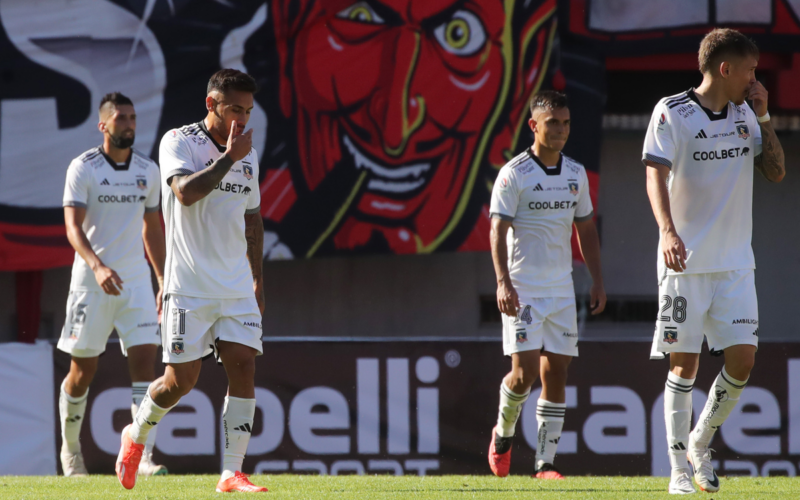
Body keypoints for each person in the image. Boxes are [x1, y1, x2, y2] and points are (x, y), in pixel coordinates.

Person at [643, 28, 785, 495]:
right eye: (749, 70)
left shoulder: (748, 113)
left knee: (743, 361)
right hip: (684, 262)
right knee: (683, 367)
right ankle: (678, 471)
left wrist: (764, 117)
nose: (754, 79)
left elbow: (777, 172)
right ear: (725, 69)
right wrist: (666, 231)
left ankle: (700, 445)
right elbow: (654, 175)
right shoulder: (672, 112)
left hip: (735, 265)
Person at [115, 69, 267, 493]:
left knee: (244, 367)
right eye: (234, 108)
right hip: (189, 284)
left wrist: (258, 282)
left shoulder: (247, 155)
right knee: (179, 382)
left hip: (235, 285)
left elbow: (252, 221)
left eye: (248, 110)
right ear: (211, 104)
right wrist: (230, 158)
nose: (242, 118)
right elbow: (184, 192)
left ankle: (231, 472)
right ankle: (136, 435)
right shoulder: (178, 141)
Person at [487, 91, 606, 479]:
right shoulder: (514, 174)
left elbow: (585, 228)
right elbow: (497, 229)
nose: (561, 130)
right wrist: (503, 283)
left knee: (557, 373)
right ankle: (502, 433)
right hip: (523, 290)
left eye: (566, 122)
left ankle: (544, 463)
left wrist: (597, 280)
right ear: (534, 125)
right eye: (553, 122)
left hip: (561, 291)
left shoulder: (575, 174)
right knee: (522, 376)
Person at [59, 92, 167, 477]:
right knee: (81, 371)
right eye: (121, 118)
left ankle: (142, 455)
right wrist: (98, 266)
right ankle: (71, 452)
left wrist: (161, 279)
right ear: (103, 125)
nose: (129, 124)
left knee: (145, 364)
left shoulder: (148, 170)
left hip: (135, 281)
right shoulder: (83, 168)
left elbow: (152, 227)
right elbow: (72, 227)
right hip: (91, 282)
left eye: (133, 117)